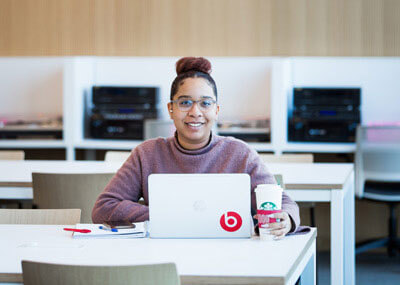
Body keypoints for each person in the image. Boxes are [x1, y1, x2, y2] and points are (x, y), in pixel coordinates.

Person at [92, 57, 300, 239]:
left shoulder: (240, 154)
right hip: (164, 252)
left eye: (205, 103)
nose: (195, 112)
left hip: (228, 254)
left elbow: (283, 203)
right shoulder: (147, 154)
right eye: (184, 103)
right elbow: (104, 207)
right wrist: (166, 214)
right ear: (170, 109)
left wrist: (287, 221)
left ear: (216, 110)